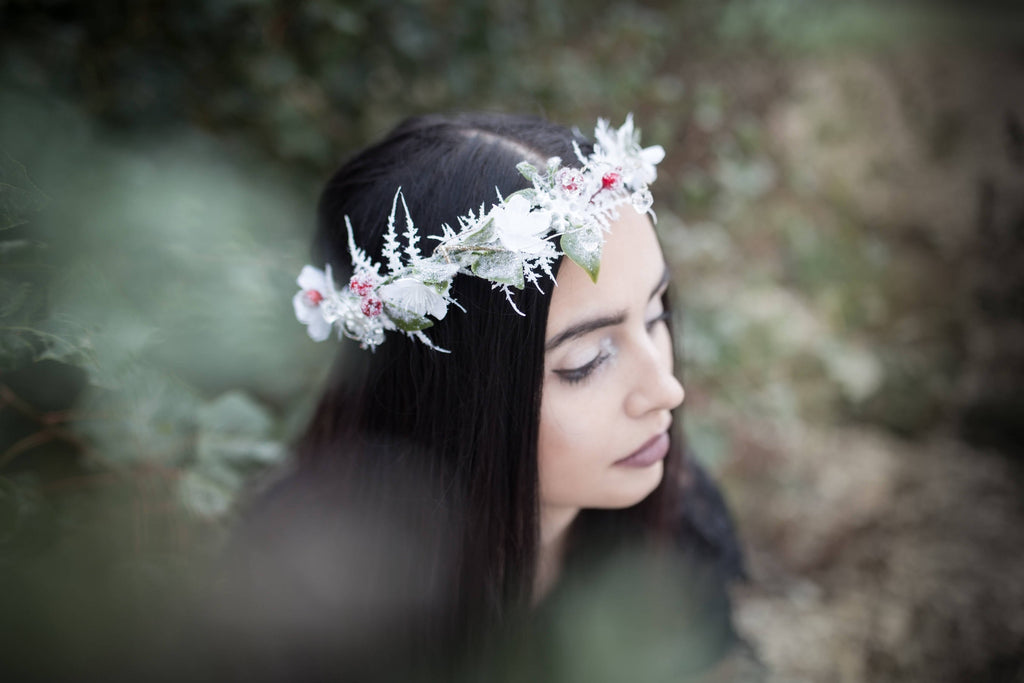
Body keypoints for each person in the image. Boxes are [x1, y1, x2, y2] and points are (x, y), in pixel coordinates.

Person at [218, 112, 748, 683]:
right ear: (452, 390)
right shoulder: (302, 613)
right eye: (586, 361)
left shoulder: (674, 524)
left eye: (656, 314)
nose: (666, 390)